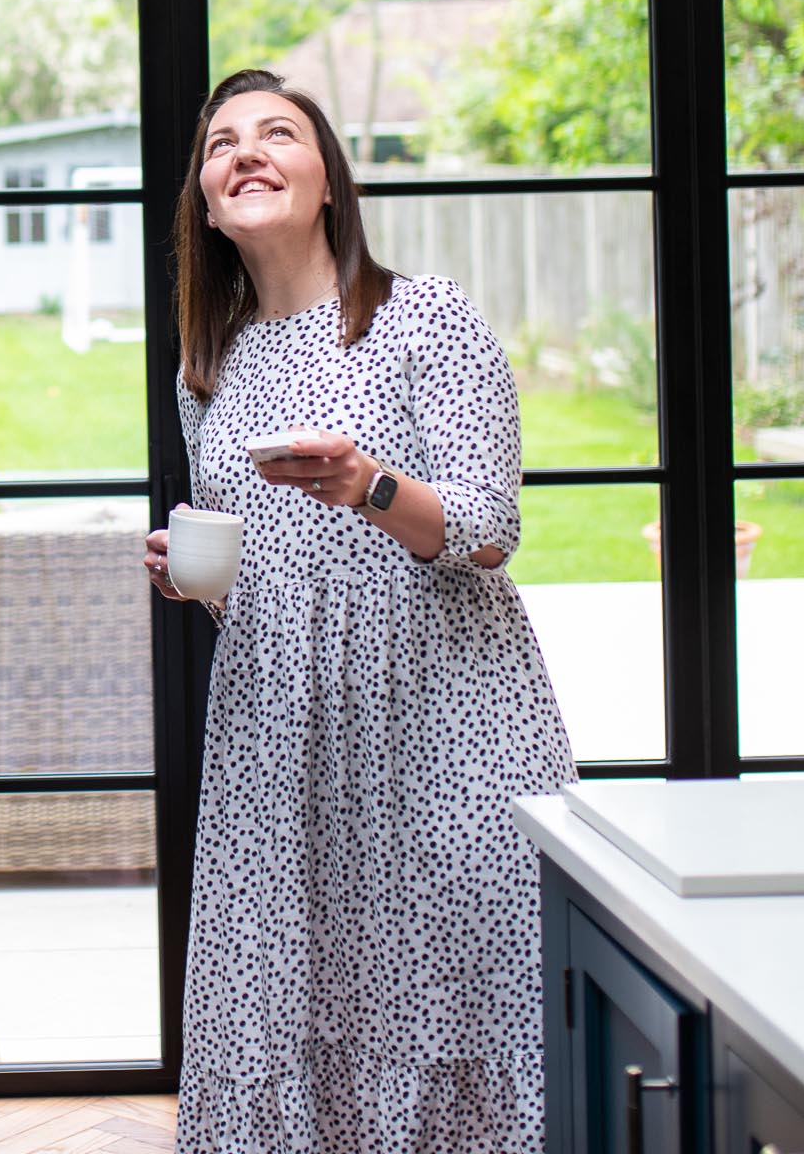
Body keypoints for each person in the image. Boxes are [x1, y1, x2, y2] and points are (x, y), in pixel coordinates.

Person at [145, 67, 574, 1153]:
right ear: (204, 200)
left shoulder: (424, 317)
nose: (247, 150)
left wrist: (369, 485)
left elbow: (486, 534)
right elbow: (266, 575)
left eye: (277, 133)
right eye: (223, 142)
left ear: (327, 176)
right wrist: (200, 580)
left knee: (454, 992)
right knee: (289, 999)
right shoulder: (211, 368)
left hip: (442, 719)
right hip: (282, 738)